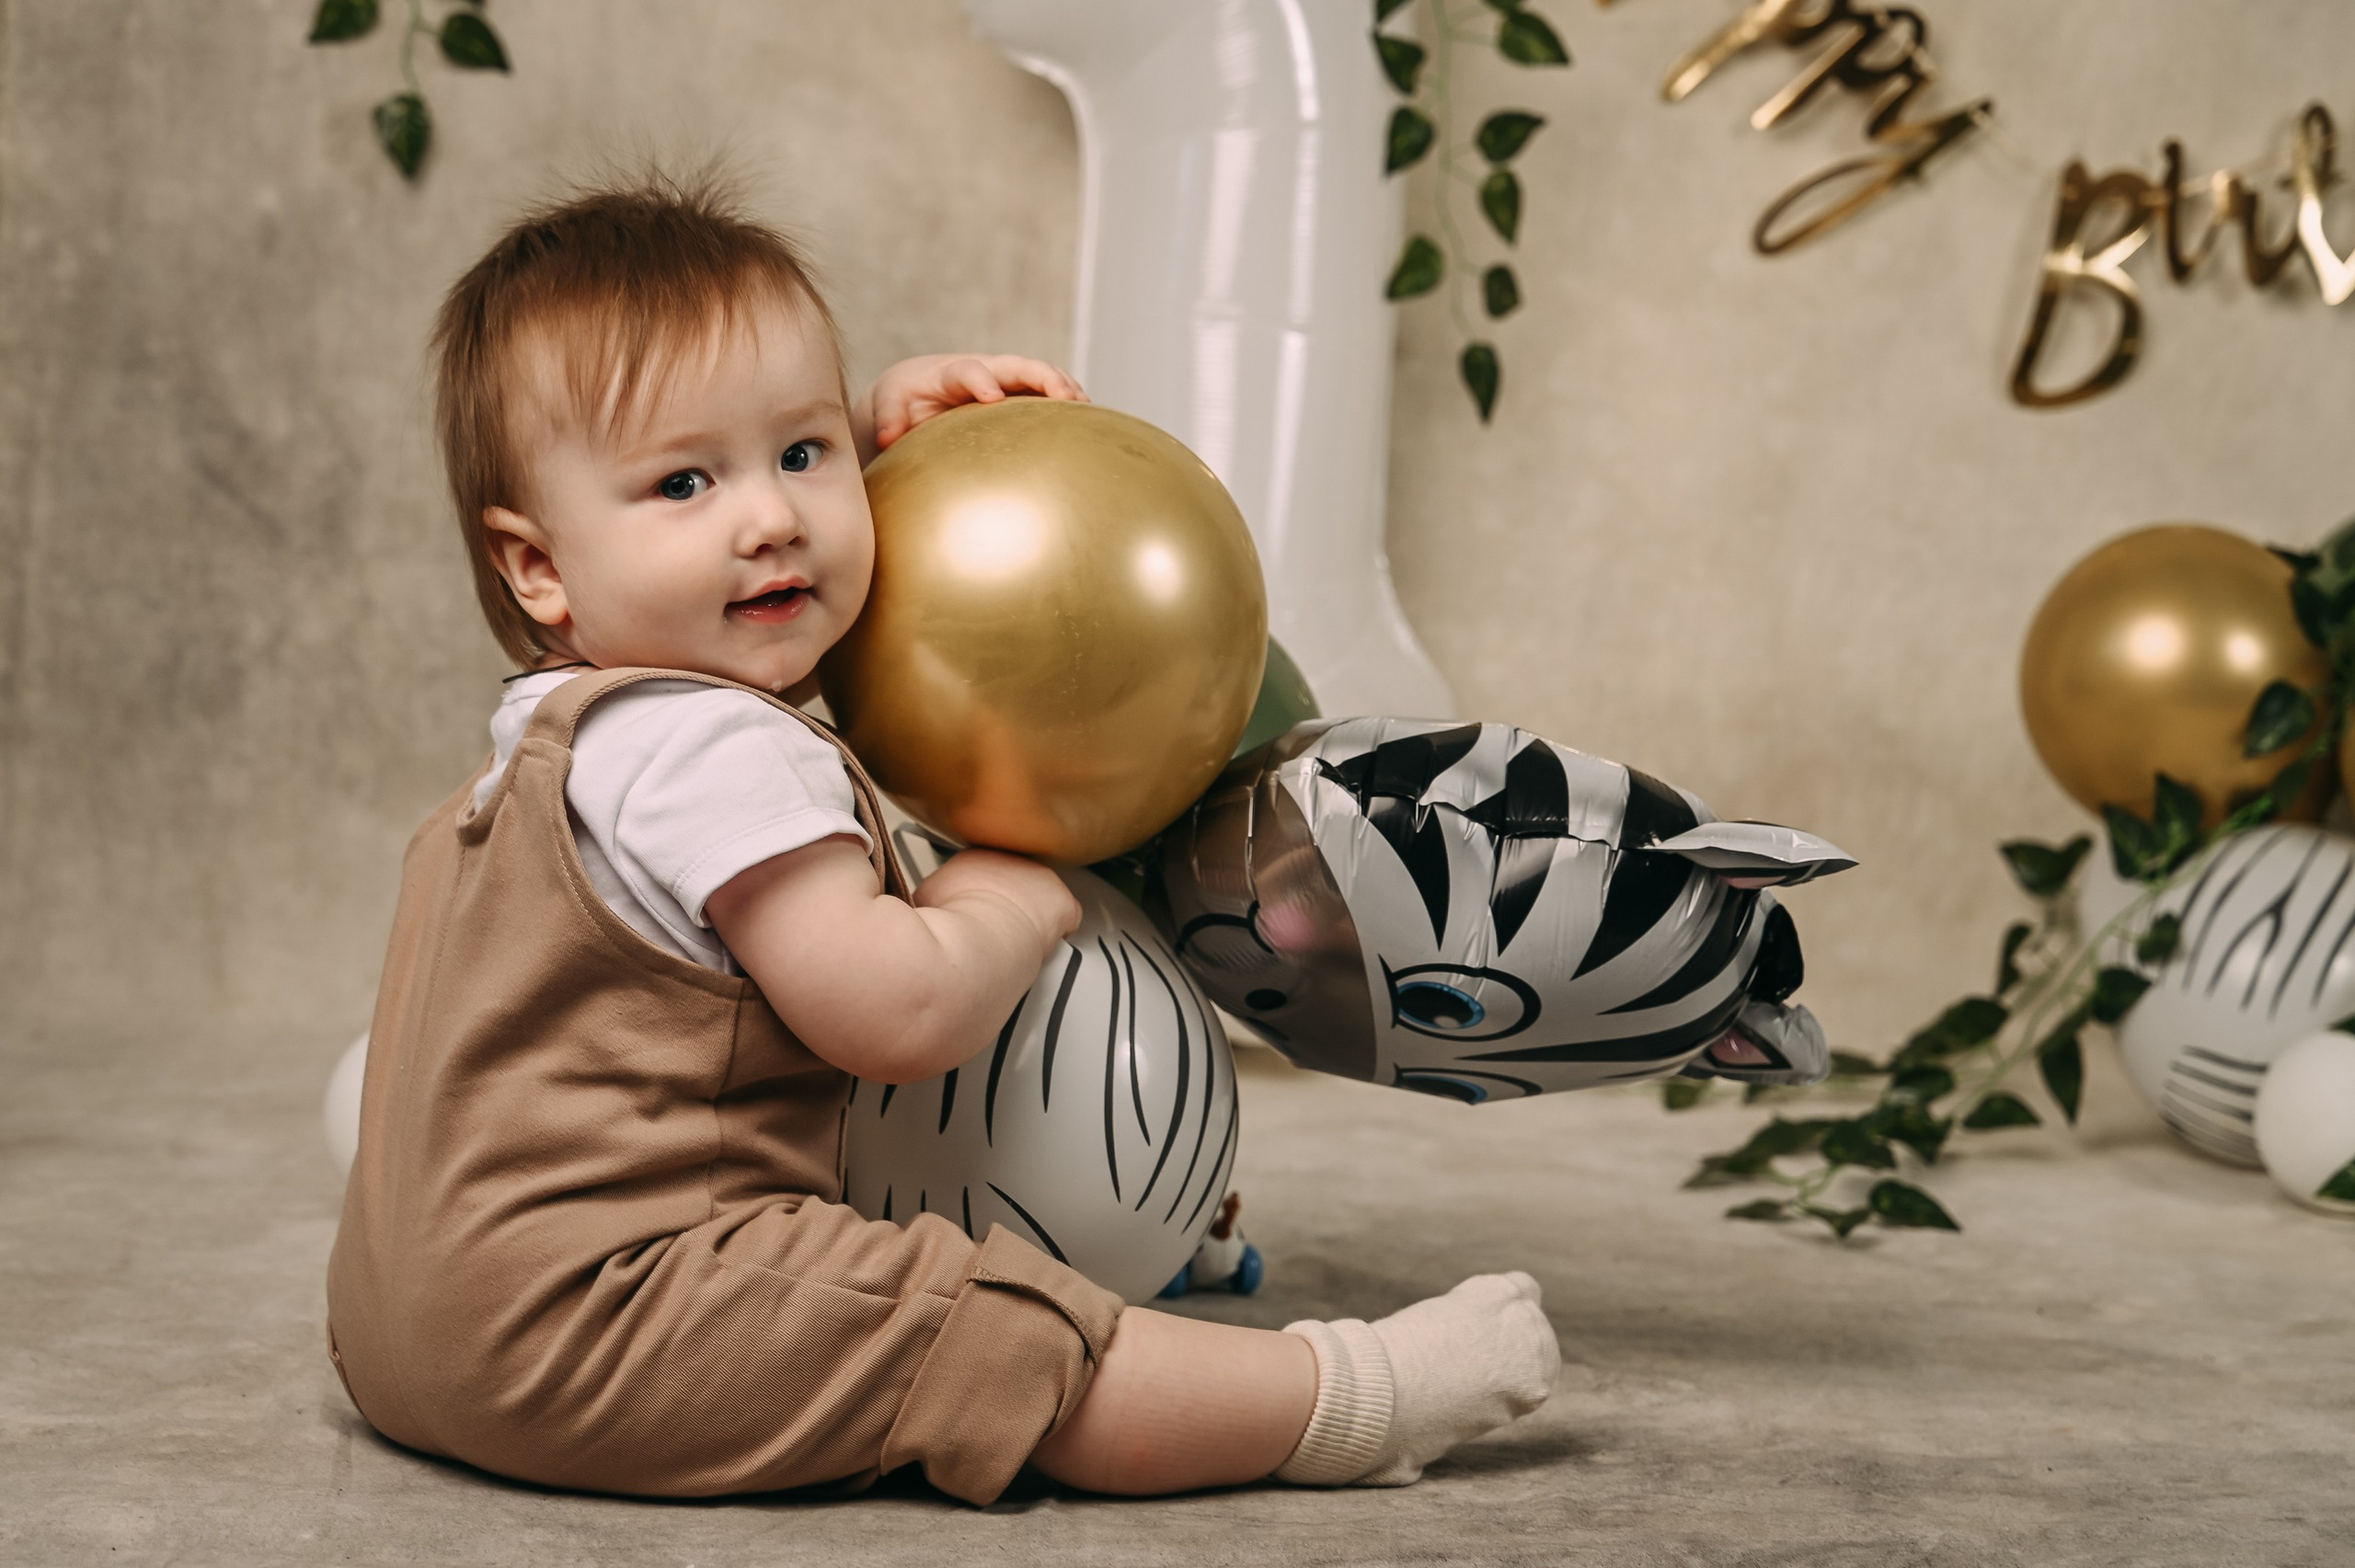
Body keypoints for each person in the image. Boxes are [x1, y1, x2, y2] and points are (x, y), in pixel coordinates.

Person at [325, 174, 1559, 1505]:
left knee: (861, 1199)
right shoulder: (716, 748)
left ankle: (1130, 1234)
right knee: (976, 1336)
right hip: (606, 1316)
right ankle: (1342, 1399)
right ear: (538, 569)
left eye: (802, 453)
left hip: (402, 1325)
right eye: (686, 480)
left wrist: (883, 440)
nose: (773, 517)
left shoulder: (562, 734)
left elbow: (729, 514)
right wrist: (1006, 903)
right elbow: (894, 1012)